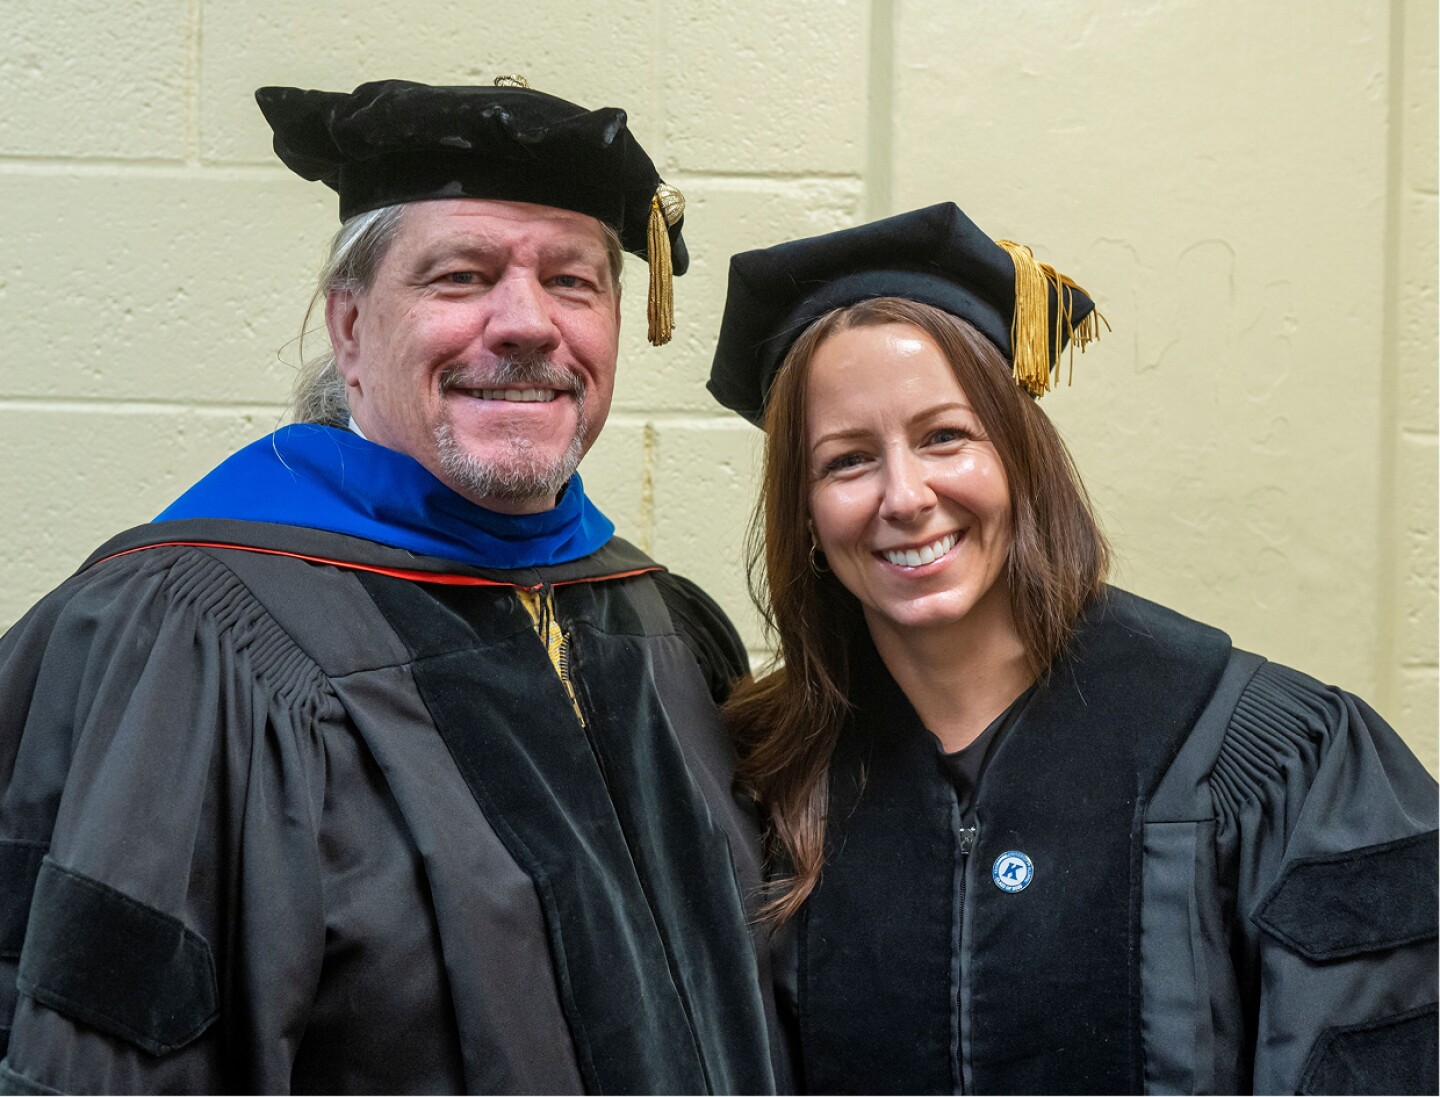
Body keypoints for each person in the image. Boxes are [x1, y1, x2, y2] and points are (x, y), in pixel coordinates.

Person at [0, 78, 786, 1094]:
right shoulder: (191, 637)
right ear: (351, 326)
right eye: (460, 276)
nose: (528, 324)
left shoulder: (662, 623)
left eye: (574, 282)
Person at [707, 202, 1437, 1095]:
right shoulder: (766, 777)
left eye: (946, 436)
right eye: (847, 460)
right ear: (807, 513)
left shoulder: (1272, 760)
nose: (905, 495)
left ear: (1019, 455)